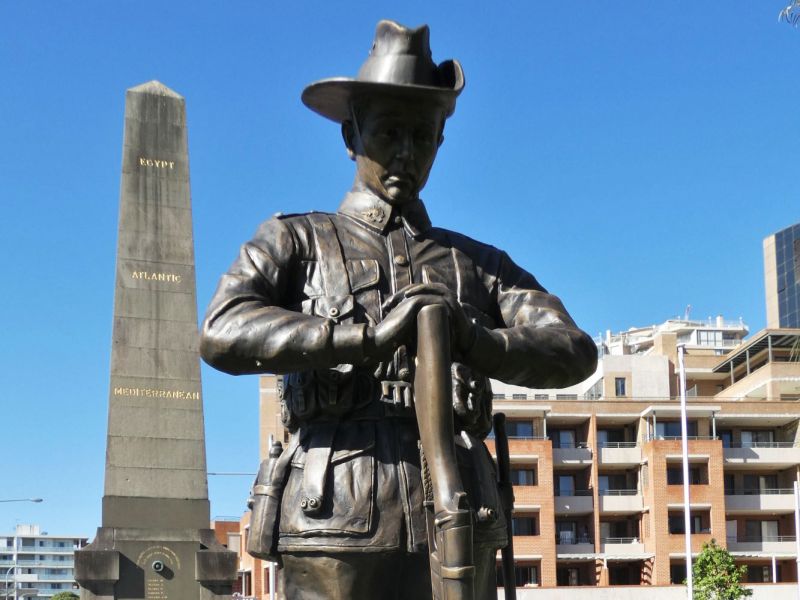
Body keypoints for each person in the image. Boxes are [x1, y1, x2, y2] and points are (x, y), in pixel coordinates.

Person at [201, 19, 597, 600]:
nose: (406, 154)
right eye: (389, 133)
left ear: (441, 140)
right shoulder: (297, 240)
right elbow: (221, 329)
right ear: (351, 136)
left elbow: (573, 349)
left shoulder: (478, 263)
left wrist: (475, 338)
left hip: (461, 512)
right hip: (332, 510)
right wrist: (363, 337)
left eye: (423, 135)